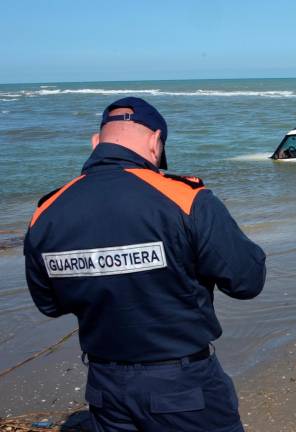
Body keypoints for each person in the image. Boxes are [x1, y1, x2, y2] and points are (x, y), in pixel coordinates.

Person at [24, 97, 266, 432]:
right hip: (183, 386)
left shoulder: (46, 212)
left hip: (105, 387)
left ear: (96, 143)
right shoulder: (185, 198)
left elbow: (49, 304)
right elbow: (246, 280)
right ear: (155, 141)